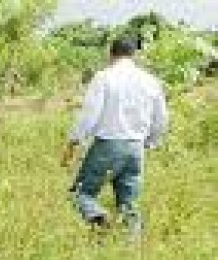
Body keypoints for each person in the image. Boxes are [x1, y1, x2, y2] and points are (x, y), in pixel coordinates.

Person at [63, 37, 168, 238]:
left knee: (81, 194)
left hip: (108, 145)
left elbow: (89, 114)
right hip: (136, 148)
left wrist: (74, 141)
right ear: (134, 55)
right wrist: (150, 142)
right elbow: (161, 118)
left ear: (111, 54)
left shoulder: (104, 77)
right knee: (129, 205)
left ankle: (100, 219)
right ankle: (132, 252)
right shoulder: (150, 80)